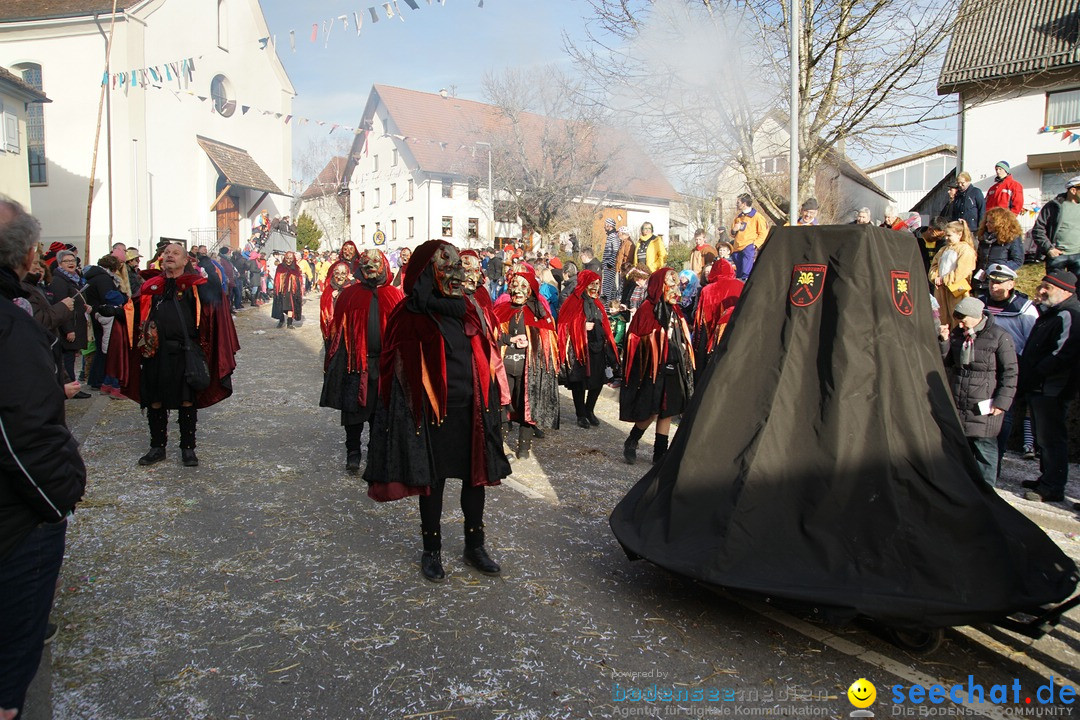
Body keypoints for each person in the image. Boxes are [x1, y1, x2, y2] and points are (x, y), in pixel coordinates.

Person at [364, 240, 511, 583]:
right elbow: (396, 368)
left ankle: (475, 545)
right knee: (433, 483)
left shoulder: (470, 309)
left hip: (471, 411)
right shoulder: (410, 314)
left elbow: (486, 357)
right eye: (447, 268)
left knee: (475, 481)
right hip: (430, 416)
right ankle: (431, 550)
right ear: (427, 272)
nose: (456, 274)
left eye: (459, 267)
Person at [0, 198, 86, 719]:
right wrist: (61, 493)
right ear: (29, 253)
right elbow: (23, 432)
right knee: (11, 670)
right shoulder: (9, 325)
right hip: (17, 519)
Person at [127, 243, 236, 467]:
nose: (169, 256)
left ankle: (188, 449)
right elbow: (133, 312)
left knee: (187, 401)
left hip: (184, 352)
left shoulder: (194, 286)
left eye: (175, 253)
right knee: (155, 400)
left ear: (186, 260)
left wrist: (210, 279)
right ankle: (157, 447)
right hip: (154, 352)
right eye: (166, 253)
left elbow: (215, 304)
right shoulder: (151, 286)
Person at [320, 250, 404, 474]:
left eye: (376, 263)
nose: (371, 267)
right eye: (367, 262)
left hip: (384, 366)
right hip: (355, 364)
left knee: (380, 414)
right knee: (354, 413)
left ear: (384, 266)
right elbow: (337, 330)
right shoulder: (350, 295)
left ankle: (376, 453)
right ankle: (353, 453)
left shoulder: (394, 295)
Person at [938, 296, 1017, 486]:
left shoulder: (999, 336)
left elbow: (1010, 371)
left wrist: (1002, 402)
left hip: (985, 402)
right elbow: (948, 362)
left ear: (975, 316)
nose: (961, 323)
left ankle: (987, 492)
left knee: (984, 448)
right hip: (960, 400)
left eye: (964, 319)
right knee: (961, 448)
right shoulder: (958, 334)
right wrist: (944, 341)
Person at [620, 267, 695, 465]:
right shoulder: (646, 309)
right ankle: (633, 439)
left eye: (676, 284)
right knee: (652, 410)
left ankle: (660, 453)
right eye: (670, 284)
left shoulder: (676, 311)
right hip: (652, 369)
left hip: (673, 366)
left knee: (668, 411)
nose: (675, 289)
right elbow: (635, 342)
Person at [1019, 270, 1080, 503]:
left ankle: (1053, 486)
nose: (1041, 290)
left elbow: (1062, 353)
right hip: (1039, 386)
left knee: (1051, 437)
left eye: (1048, 287)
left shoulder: (1070, 314)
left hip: (1052, 388)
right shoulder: (1052, 313)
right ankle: (1047, 478)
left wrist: (1037, 373)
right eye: (1041, 286)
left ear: (1065, 291)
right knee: (1042, 436)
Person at [493, 267, 560, 458]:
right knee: (502, 404)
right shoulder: (501, 310)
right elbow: (491, 337)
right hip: (504, 367)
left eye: (523, 286)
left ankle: (524, 448)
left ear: (531, 289)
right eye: (514, 286)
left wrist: (532, 341)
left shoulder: (540, 314)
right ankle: (499, 444)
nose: (518, 290)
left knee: (527, 407)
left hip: (528, 369)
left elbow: (549, 342)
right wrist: (509, 339)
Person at [977, 263, 1039, 466]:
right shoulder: (980, 303)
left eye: (999, 283)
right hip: (981, 367)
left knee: (1004, 414)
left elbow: (1031, 340)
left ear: (1011, 284)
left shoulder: (1025, 309)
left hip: (1010, 366)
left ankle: (998, 456)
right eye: (991, 282)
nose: (993, 287)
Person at [557, 269, 620, 428]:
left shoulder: (598, 303)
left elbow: (604, 323)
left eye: (597, 284)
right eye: (592, 283)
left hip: (598, 348)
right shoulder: (573, 301)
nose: (595, 287)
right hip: (579, 349)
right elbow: (563, 325)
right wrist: (581, 326)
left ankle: (589, 410)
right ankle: (581, 414)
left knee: (598, 381)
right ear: (584, 284)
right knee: (579, 382)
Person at [693, 259, 743, 382]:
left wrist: (697, 344)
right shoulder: (741, 285)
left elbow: (700, 318)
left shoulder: (707, 290)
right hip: (736, 332)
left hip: (711, 334)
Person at [49, 250, 89, 388]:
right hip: (68, 326)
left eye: (73, 260)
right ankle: (71, 385)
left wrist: (85, 307)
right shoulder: (59, 281)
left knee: (71, 357)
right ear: (60, 263)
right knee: (68, 359)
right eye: (67, 261)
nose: (71, 263)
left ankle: (73, 385)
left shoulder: (73, 279)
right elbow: (61, 306)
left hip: (76, 322)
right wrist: (69, 330)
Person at [928, 220, 977, 328]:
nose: (946, 238)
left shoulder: (965, 249)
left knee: (957, 315)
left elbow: (962, 271)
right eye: (945, 235)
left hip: (957, 290)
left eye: (949, 235)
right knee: (942, 316)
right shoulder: (943, 249)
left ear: (959, 234)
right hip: (941, 289)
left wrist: (944, 279)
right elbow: (934, 265)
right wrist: (935, 277)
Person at [1031, 175, 1080, 276]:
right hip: (1057, 256)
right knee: (1054, 288)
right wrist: (1049, 248)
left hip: (1078, 256)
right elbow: (1038, 229)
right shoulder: (1054, 206)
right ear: (1073, 191)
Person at [974, 207, 1025, 286]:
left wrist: (997, 269)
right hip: (979, 281)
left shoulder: (1012, 238)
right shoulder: (983, 237)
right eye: (987, 221)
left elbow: (1017, 261)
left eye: (991, 222)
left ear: (1001, 224)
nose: (987, 224)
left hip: (999, 281)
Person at [729, 193, 769, 279]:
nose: (737, 204)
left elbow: (763, 233)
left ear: (744, 204)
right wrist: (734, 230)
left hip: (748, 247)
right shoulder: (738, 218)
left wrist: (754, 245)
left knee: (745, 274)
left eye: (738, 202)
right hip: (737, 248)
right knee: (738, 275)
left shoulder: (757, 217)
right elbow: (732, 233)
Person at [319, 261, 356, 349]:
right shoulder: (329, 289)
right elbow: (324, 308)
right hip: (333, 326)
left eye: (343, 273)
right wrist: (331, 298)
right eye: (337, 273)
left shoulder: (352, 288)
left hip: (347, 327)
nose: (340, 277)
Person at [272, 250, 304, 329]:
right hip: (281, 290)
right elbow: (277, 277)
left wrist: (293, 279)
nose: (289, 260)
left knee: (290, 306)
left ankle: (289, 323)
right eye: (287, 258)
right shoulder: (280, 267)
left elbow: (299, 279)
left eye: (291, 258)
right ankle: (281, 321)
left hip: (291, 291)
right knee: (281, 306)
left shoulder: (296, 267)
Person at [601, 218, 621, 301]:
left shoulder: (614, 236)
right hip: (608, 264)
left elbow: (615, 251)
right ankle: (612, 305)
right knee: (612, 287)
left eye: (605, 225)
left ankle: (607, 307)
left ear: (609, 225)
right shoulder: (610, 236)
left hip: (610, 265)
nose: (604, 226)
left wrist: (610, 264)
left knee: (607, 286)